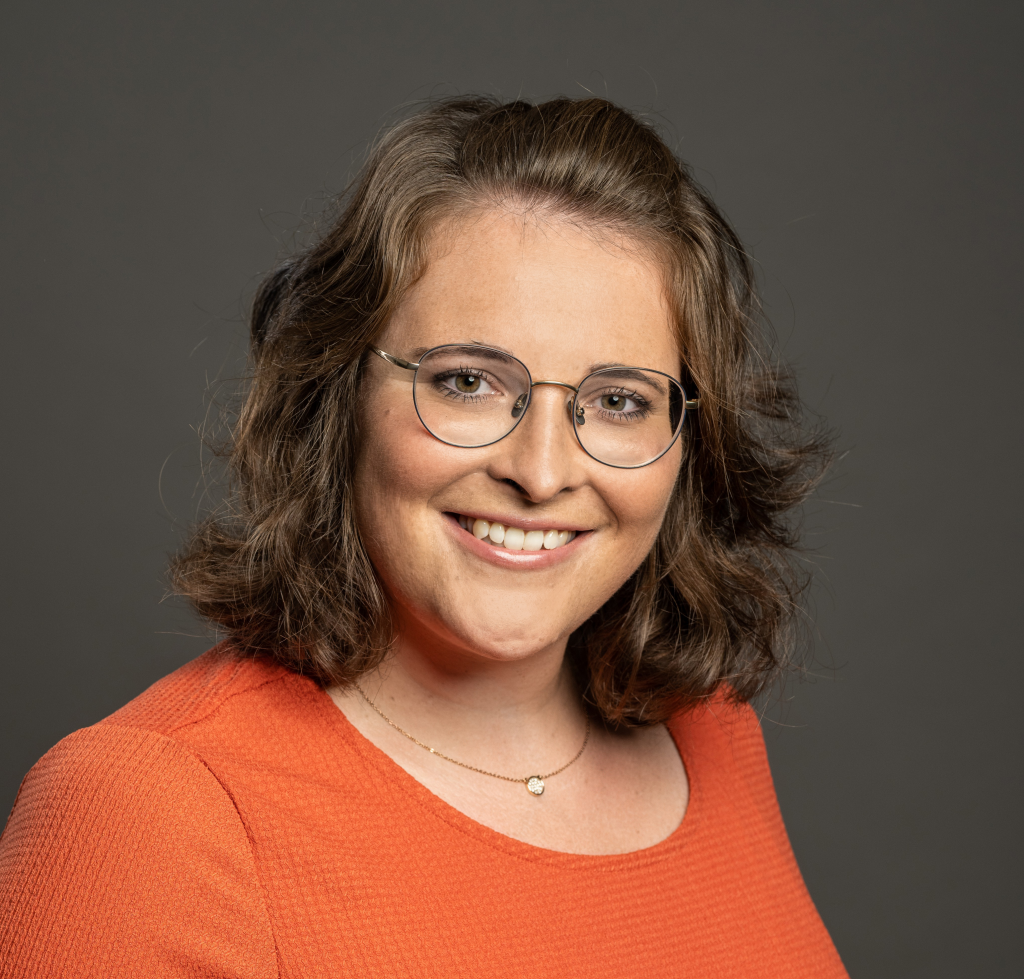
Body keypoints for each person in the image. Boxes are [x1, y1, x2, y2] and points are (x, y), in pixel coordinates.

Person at [0, 96, 845, 977]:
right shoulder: (145, 812)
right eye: (468, 381)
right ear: (337, 393)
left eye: (619, 400)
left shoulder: (710, 730)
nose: (542, 472)